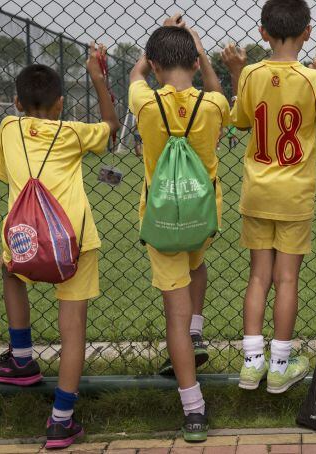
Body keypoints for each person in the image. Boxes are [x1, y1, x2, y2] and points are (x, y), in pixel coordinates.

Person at [0, 45, 120, 449]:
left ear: (16, 102)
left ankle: (22, 356)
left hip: (25, 240)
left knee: (9, 269)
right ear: (61, 104)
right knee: (72, 325)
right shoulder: (74, 132)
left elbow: (7, 176)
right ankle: (61, 419)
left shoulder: (9, 128)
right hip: (75, 244)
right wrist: (97, 76)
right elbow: (111, 126)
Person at [221, 0, 316, 394]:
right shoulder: (314, 79)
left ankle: (252, 362)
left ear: (262, 32)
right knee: (287, 278)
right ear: (307, 32)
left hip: (257, 191)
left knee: (258, 276)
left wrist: (238, 74)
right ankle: (280, 366)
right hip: (294, 195)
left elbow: (238, 121)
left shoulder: (251, 73)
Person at [128, 14, 229, 441]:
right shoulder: (213, 105)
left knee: (174, 309)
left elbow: (135, 74)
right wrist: (202, 52)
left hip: (163, 219)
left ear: (154, 65)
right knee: (197, 265)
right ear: (195, 60)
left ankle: (193, 408)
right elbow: (220, 92)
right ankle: (196, 330)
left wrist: (145, 58)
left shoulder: (145, 103)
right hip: (203, 216)